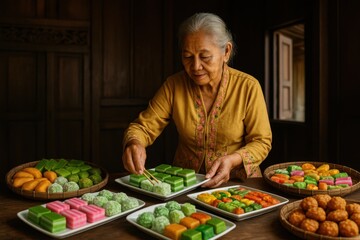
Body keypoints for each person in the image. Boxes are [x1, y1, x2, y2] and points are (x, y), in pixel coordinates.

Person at [122, 12, 272, 188]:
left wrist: (233, 160)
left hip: (239, 185)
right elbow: (142, 127)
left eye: (205, 56)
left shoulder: (247, 87)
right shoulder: (173, 86)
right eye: (187, 56)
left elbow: (261, 141)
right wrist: (134, 143)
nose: (195, 66)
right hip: (185, 185)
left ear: (226, 52)